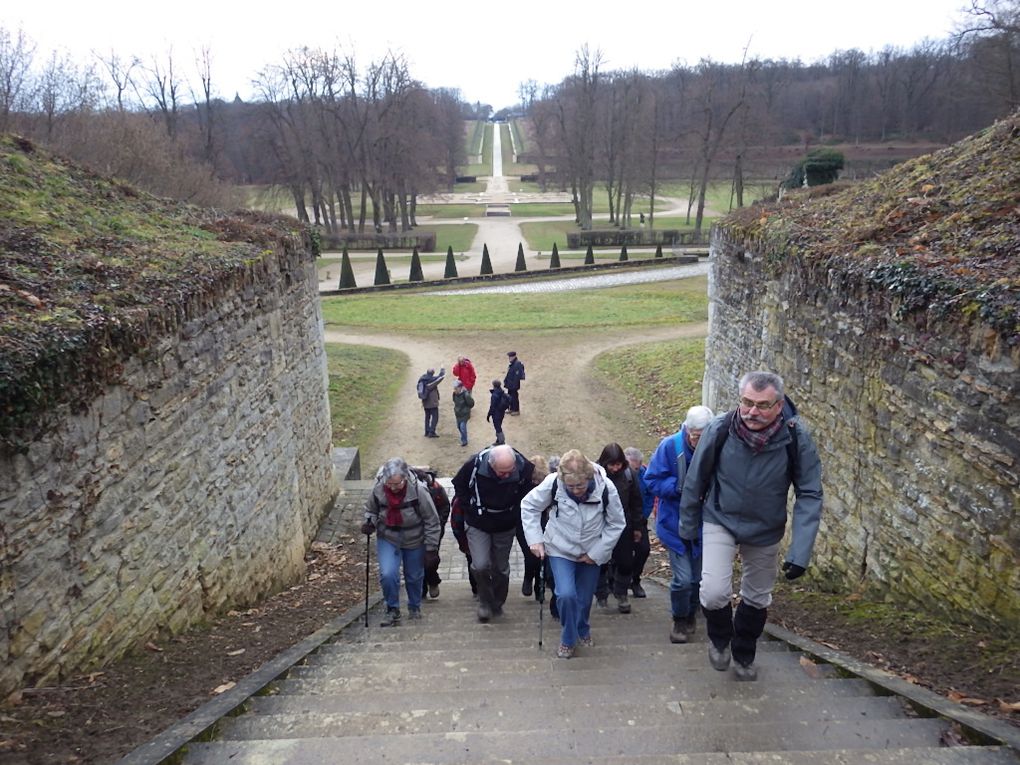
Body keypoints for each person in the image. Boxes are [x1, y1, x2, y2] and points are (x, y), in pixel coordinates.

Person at [679, 372, 823, 681]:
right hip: (720, 517)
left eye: (762, 405)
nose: (751, 412)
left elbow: (809, 492)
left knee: (757, 598)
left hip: (766, 528)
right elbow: (696, 479)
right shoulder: (720, 428)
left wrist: (800, 551)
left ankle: (744, 652)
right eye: (746, 402)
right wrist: (688, 527)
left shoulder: (796, 437)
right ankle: (719, 638)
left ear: (779, 404)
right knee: (715, 592)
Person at [521, 449, 625, 658]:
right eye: (571, 486)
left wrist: (596, 553)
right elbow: (529, 506)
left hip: (591, 551)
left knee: (585, 599)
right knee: (566, 595)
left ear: (589, 477)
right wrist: (535, 540)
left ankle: (583, 628)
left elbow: (616, 523)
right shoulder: (553, 483)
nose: (576, 490)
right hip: (560, 547)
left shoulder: (607, 488)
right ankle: (568, 638)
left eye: (580, 485)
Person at [645, 405, 714, 644]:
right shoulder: (669, 447)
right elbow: (651, 480)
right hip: (674, 524)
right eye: (694, 436)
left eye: (703, 436)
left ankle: (692, 610)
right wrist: (677, 488)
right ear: (686, 429)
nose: (698, 441)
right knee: (683, 579)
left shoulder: (716, 447)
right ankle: (679, 618)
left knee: (697, 578)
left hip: (705, 526)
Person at [452, 444, 535, 622]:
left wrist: (515, 511)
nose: (506, 476)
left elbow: (529, 493)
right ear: (491, 464)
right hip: (478, 523)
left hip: (505, 524)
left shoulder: (524, 468)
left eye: (509, 471)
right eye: (501, 472)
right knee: (480, 565)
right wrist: (471, 509)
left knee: (501, 568)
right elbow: (458, 485)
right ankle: (484, 601)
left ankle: (497, 601)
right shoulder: (473, 465)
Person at [361, 458, 442, 626]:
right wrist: (369, 522)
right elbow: (371, 510)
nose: (392, 487)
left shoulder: (419, 491)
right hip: (388, 536)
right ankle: (392, 609)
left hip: (414, 538)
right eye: (389, 484)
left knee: (414, 576)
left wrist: (431, 548)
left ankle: (414, 606)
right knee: (388, 574)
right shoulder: (379, 489)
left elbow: (432, 520)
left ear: (405, 478)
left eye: (396, 484)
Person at [594, 443, 644, 614]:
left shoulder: (629, 475)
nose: (615, 468)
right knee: (599, 561)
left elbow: (636, 502)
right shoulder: (595, 475)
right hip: (599, 525)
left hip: (623, 525)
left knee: (625, 562)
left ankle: (621, 592)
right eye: (612, 464)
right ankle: (601, 594)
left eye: (618, 464)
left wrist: (637, 527)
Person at [412, 466, 451, 600]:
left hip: (434, 530)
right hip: (413, 531)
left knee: (430, 559)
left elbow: (445, 506)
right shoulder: (410, 488)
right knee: (416, 560)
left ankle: (432, 581)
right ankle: (422, 588)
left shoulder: (436, 488)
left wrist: (439, 523)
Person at [515, 455, 549, 599]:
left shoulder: (546, 485)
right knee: (531, 555)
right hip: (523, 522)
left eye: (537, 480)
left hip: (544, 522)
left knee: (542, 556)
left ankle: (539, 586)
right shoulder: (521, 482)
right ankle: (529, 578)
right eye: (533, 479)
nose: (535, 482)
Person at [623, 446, 652, 598]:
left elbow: (649, 498)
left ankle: (635, 580)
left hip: (639, 519)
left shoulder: (645, 476)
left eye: (636, 468)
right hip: (622, 520)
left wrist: (642, 516)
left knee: (644, 549)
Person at [417, 366, 445, 438]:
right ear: (432, 373)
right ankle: (432, 432)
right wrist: (442, 369)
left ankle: (427, 431)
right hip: (432, 402)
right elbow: (440, 377)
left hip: (425, 401)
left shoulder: (422, 379)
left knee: (427, 417)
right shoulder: (432, 380)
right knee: (435, 417)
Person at [486, 379, 511, 445]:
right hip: (502, 412)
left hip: (496, 414)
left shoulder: (494, 395)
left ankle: (501, 441)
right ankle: (498, 440)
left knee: (498, 428)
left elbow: (492, 406)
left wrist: (488, 415)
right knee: (498, 426)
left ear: (494, 386)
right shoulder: (502, 392)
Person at [452, 379, 475, 447]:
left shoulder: (466, 395)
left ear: (460, 387)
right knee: (459, 426)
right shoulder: (454, 394)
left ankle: (464, 441)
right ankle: (463, 438)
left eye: (456, 388)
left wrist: (466, 409)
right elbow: (454, 401)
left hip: (464, 414)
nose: (455, 390)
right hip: (458, 413)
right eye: (454, 388)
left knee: (462, 427)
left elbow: (471, 403)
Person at [503, 351, 526, 416]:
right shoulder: (513, 364)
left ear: (514, 357)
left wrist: (514, 385)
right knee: (510, 397)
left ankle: (516, 410)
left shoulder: (517, 364)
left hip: (514, 385)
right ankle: (511, 408)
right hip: (510, 385)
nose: (509, 358)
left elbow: (517, 376)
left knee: (514, 397)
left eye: (510, 357)